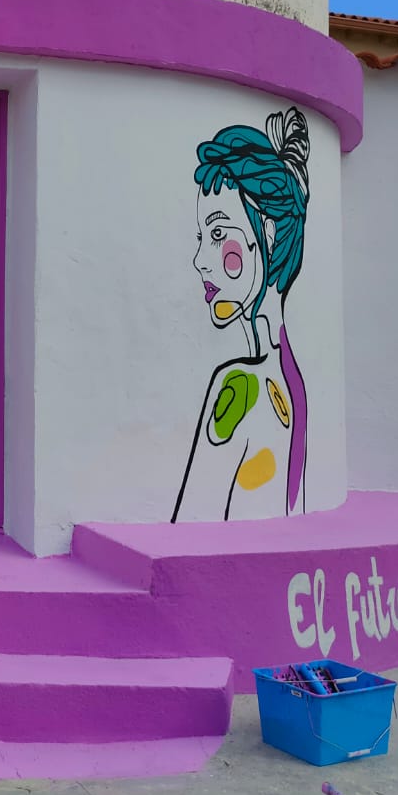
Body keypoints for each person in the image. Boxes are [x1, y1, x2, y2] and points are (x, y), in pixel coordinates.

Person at [172, 106, 311, 522]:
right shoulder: (294, 385)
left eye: (218, 234)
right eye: (201, 237)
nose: (201, 260)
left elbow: (191, 533)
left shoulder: (237, 386)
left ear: (266, 235)